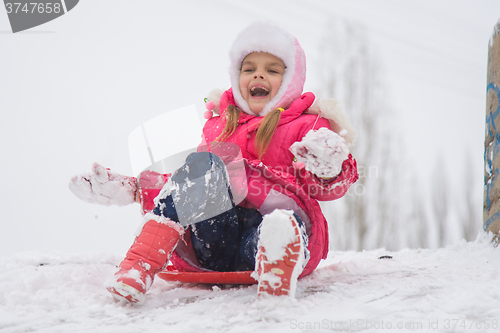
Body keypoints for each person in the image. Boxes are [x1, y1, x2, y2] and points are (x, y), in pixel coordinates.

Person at [69, 21, 358, 304]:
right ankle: (139, 266)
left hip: (265, 232)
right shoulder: (219, 125)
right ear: (236, 76)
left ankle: (277, 259)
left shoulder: (308, 126)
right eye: (249, 69)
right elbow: (192, 186)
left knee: (279, 224)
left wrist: (330, 168)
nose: (259, 77)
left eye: (272, 70)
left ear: (291, 79)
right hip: (214, 239)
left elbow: (327, 190)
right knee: (202, 166)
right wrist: (133, 190)